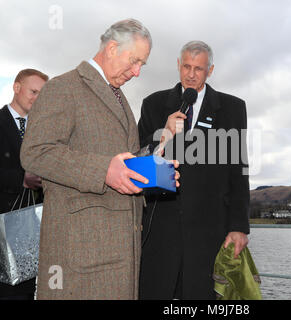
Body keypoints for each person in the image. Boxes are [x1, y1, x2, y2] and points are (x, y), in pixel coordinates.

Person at [20, 19, 153, 300]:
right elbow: (35, 152)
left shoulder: (118, 96)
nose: (137, 72)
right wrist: (104, 170)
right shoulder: (63, 87)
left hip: (117, 256)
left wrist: (150, 170)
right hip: (80, 263)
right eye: (134, 61)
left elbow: (116, 159)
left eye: (142, 64)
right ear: (112, 48)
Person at [138, 41, 250, 299]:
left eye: (198, 69)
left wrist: (239, 226)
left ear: (210, 71)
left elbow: (239, 169)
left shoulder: (233, 108)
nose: (190, 74)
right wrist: (163, 136)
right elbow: (139, 161)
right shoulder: (153, 104)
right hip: (160, 229)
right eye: (186, 66)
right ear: (178, 65)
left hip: (210, 231)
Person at [0, 69, 48, 300]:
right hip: (2, 222)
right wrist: (21, 179)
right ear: (16, 88)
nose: (37, 99)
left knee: (24, 290)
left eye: (42, 94)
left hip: (31, 228)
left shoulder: (44, 133)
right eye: (33, 91)